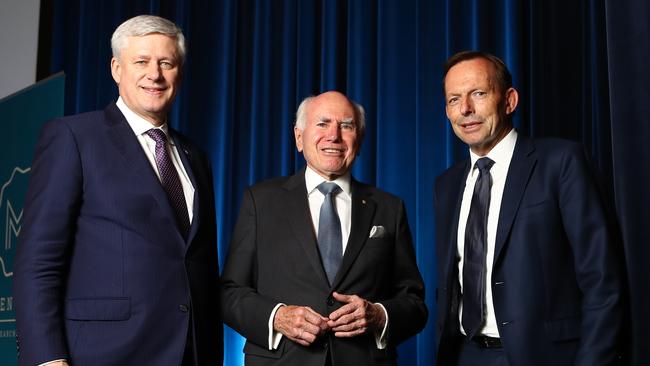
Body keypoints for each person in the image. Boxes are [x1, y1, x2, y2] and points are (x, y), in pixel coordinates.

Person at [13, 15, 222, 366]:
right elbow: (38, 260)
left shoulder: (195, 156)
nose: (154, 74)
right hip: (102, 353)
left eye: (166, 63)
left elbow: (197, 264)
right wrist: (46, 357)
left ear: (179, 73)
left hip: (191, 353)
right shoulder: (74, 138)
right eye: (141, 62)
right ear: (116, 69)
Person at [434, 50, 622, 365]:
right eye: (454, 99)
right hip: (465, 355)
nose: (465, 109)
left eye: (478, 94)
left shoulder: (562, 162)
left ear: (509, 101)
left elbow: (602, 280)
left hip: (545, 356)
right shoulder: (447, 184)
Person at [221, 91, 428, 365]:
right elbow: (230, 292)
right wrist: (277, 317)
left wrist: (379, 314)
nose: (334, 136)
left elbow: (414, 303)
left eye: (346, 125)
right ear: (298, 137)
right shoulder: (260, 201)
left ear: (360, 139)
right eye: (322, 123)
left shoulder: (390, 208)